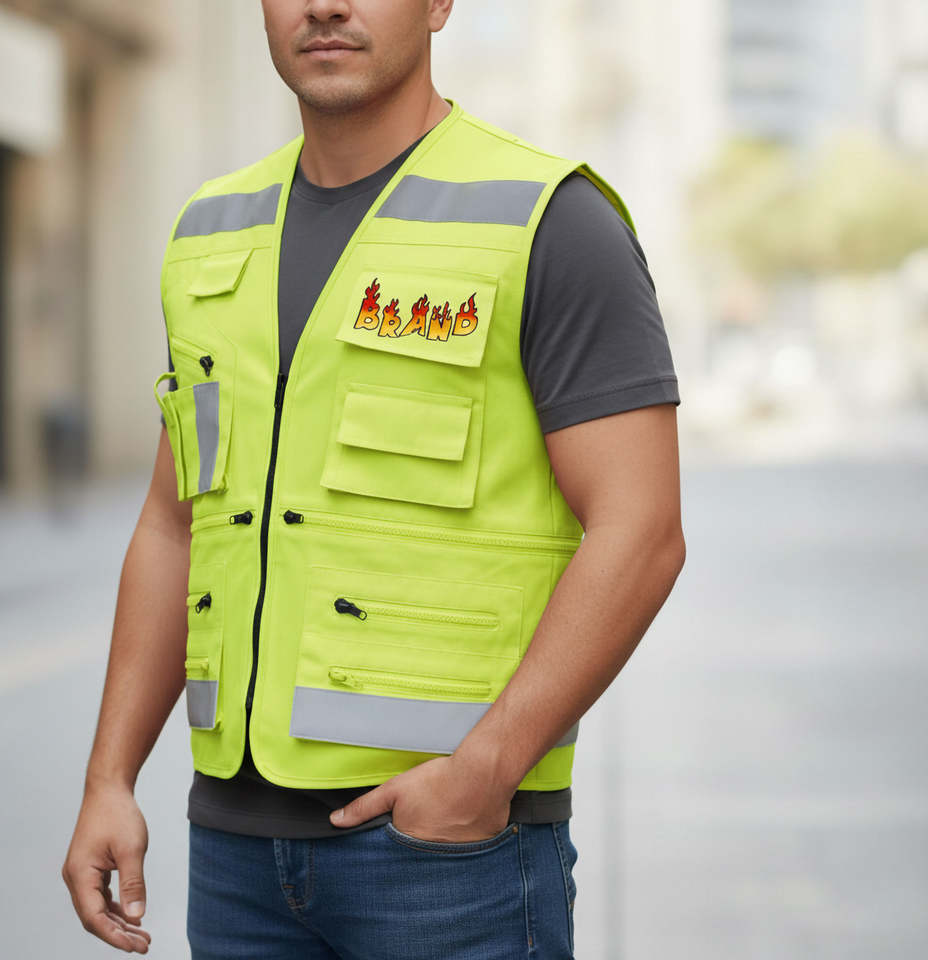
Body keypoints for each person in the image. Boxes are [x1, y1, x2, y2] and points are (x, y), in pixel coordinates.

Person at [62, 1, 686, 956]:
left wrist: (486, 771)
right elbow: (174, 523)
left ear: (439, 4)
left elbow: (641, 531)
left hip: (452, 856)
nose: (325, 4)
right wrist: (109, 778)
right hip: (234, 857)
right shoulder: (209, 233)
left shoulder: (549, 220)